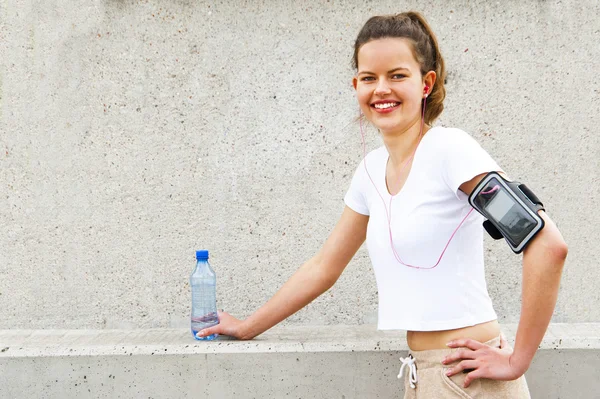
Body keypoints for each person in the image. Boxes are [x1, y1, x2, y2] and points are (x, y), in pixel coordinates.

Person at [197, 11, 568, 398]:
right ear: (355, 84)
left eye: (397, 75)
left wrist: (516, 361)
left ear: (426, 84)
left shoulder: (450, 151)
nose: (381, 89)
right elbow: (324, 267)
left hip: (469, 381)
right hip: (425, 377)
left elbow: (547, 245)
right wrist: (248, 326)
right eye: (369, 78)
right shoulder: (371, 171)